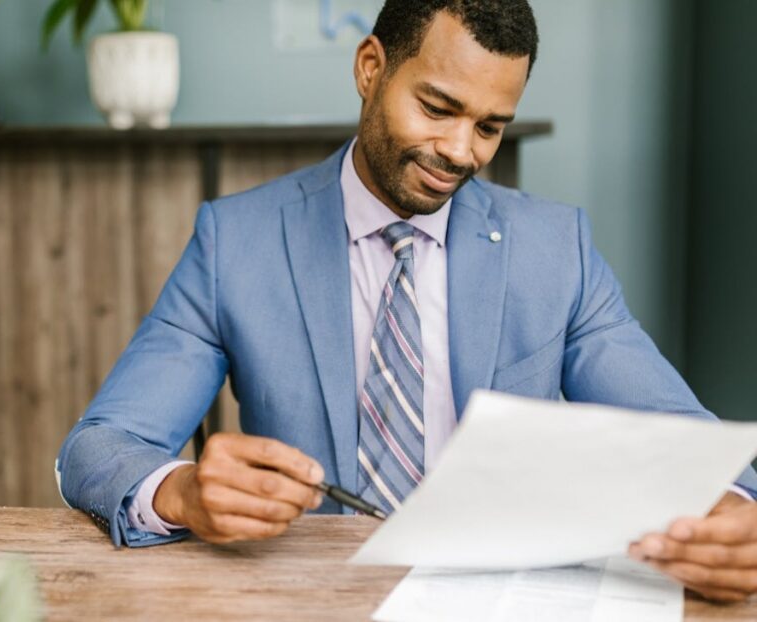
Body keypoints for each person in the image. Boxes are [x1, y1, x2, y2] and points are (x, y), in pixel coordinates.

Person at [56, 0, 757, 603]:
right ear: (370, 69)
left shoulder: (557, 250)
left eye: (489, 126)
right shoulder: (237, 243)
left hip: (510, 594)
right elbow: (97, 447)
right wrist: (181, 492)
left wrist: (733, 509)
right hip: (312, 593)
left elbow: (691, 443)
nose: (460, 150)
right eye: (438, 107)